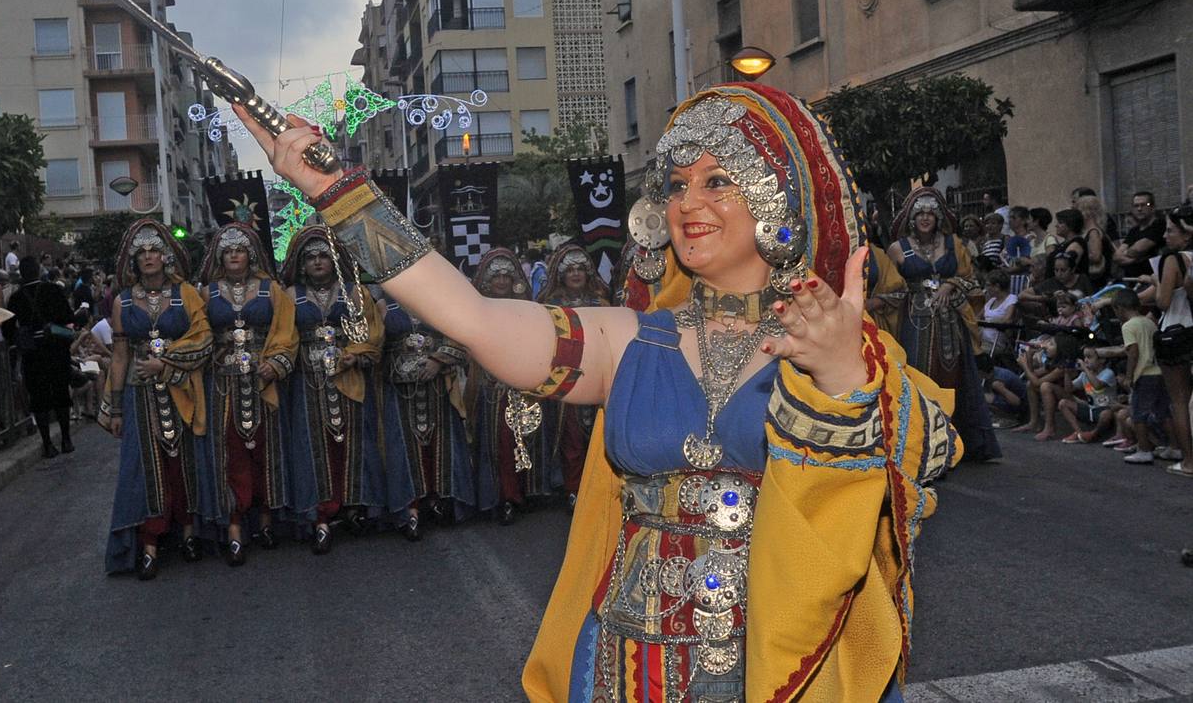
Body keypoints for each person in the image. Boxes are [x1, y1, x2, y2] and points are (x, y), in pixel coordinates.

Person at [239, 82, 959, 701]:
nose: (687, 204)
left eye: (717, 181)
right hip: (626, 657)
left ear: (781, 200)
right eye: (676, 185)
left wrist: (839, 375)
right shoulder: (628, 337)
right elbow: (472, 317)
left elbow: (916, 465)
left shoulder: (839, 345)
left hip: (779, 662)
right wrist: (334, 191)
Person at [104, 220, 212, 579]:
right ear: (133, 261)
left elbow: (204, 339)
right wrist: (115, 407)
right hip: (140, 394)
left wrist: (166, 362)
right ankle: (149, 542)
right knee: (144, 468)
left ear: (165, 256)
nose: (148, 257)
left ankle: (188, 533)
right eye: (141, 252)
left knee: (186, 463)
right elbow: (119, 355)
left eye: (154, 250)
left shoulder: (187, 294)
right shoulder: (122, 302)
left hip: (183, 389)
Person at [193, 224, 298, 566]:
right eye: (228, 251)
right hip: (222, 385)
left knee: (267, 450)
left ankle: (267, 521)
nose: (234, 255)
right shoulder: (206, 293)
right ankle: (234, 525)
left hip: (263, 381)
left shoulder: (271, 290)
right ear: (220, 257)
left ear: (250, 254)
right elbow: (197, 334)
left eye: (240, 249)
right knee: (229, 451)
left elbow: (288, 332)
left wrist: (277, 362)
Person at [281, 226, 387, 555]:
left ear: (335, 259)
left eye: (323, 256)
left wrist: (353, 355)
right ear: (301, 263)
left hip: (349, 377)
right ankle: (320, 516)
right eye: (310, 257)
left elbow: (373, 332)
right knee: (312, 446)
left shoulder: (355, 292)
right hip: (306, 382)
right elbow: (281, 338)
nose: (317, 262)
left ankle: (356, 507)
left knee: (356, 442)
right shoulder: (289, 296)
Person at [887, 187, 1000, 462]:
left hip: (951, 323)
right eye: (920, 213)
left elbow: (973, 281)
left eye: (930, 213)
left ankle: (957, 443)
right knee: (917, 378)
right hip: (914, 324)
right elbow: (891, 287)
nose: (926, 218)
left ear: (938, 216)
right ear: (912, 217)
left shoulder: (953, 244)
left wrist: (951, 284)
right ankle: (919, 447)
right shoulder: (897, 249)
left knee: (953, 379)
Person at [468, 248, 560, 525]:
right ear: (486, 279)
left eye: (506, 276)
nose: (501, 281)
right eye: (495, 276)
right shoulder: (477, 309)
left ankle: (530, 492)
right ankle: (505, 498)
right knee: (501, 445)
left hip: (526, 385)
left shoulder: (530, 309)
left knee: (531, 438)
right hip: (492, 388)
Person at [377, 289, 474, 537]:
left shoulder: (440, 299)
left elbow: (462, 336)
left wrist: (439, 359)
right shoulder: (382, 305)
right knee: (402, 446)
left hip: (438, 386)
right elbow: (373, 343)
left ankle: (439, 500)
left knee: (441, 445)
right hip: (399, 389)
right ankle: (410, 509)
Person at [536, 244, 609, 511]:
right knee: (570, 436)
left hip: (599, 375)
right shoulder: (549, 306)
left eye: (581, 269)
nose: (576, 274)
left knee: (598, 435)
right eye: (570, 270)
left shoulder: (601, 302)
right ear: (561, 274)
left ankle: (600, 488)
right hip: (565, 378)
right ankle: (572, 488)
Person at [1139, 204, 1193, 475]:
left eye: (1171, 230)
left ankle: (1189, 461)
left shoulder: (1173, 259)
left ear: (1185, 234)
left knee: (1180, 400)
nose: (1165, 236)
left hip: (1177, 330)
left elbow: (1163, 301)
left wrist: (1155, 279)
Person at [6, 257, 77, 458]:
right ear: (38, 270)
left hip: (32, 353)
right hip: (55, 348)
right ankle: (66, 439)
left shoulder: (16, 298)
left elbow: (8, 330)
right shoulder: (53, 290)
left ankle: (47, 443)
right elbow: (68, 317)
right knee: (61, 392)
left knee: (39, 397)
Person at [1111, 288, 1172, 464]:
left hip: (1144, 373)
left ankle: (1144, 449)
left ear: (1120, 308)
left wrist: (1129, 376)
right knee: (1163, 412)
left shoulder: (1128, 326)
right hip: (1158, 371)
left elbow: (1133, 352)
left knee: (1139, 413)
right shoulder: (1149, 323)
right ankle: (1174, 446)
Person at [1114, 192, 1165, 279]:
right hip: (1131, 279)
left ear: (1152, 207)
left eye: (1144, 205)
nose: (1139, 209)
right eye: (1136, 206)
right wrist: (1136, 259)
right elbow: (1117, 256)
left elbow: (1137, 249)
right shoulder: (1134, 230)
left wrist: (1126, 253)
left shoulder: (1159, 225)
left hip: (1151, 281)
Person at [1076, 195, 1115, 285]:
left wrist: (1079, 255)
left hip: (1096, 280)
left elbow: (1096, 256)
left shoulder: (1093, 232)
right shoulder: (1095, 231)